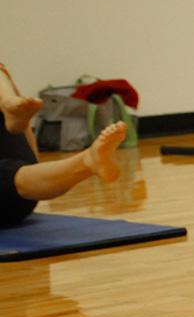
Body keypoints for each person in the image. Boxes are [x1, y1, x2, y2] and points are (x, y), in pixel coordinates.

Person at [1, 63, 126, 228]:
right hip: (12, 189)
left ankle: (9, 103)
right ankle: (86, 161)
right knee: (8, 172)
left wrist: (34, 171)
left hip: (21, 188)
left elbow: (21, 127)